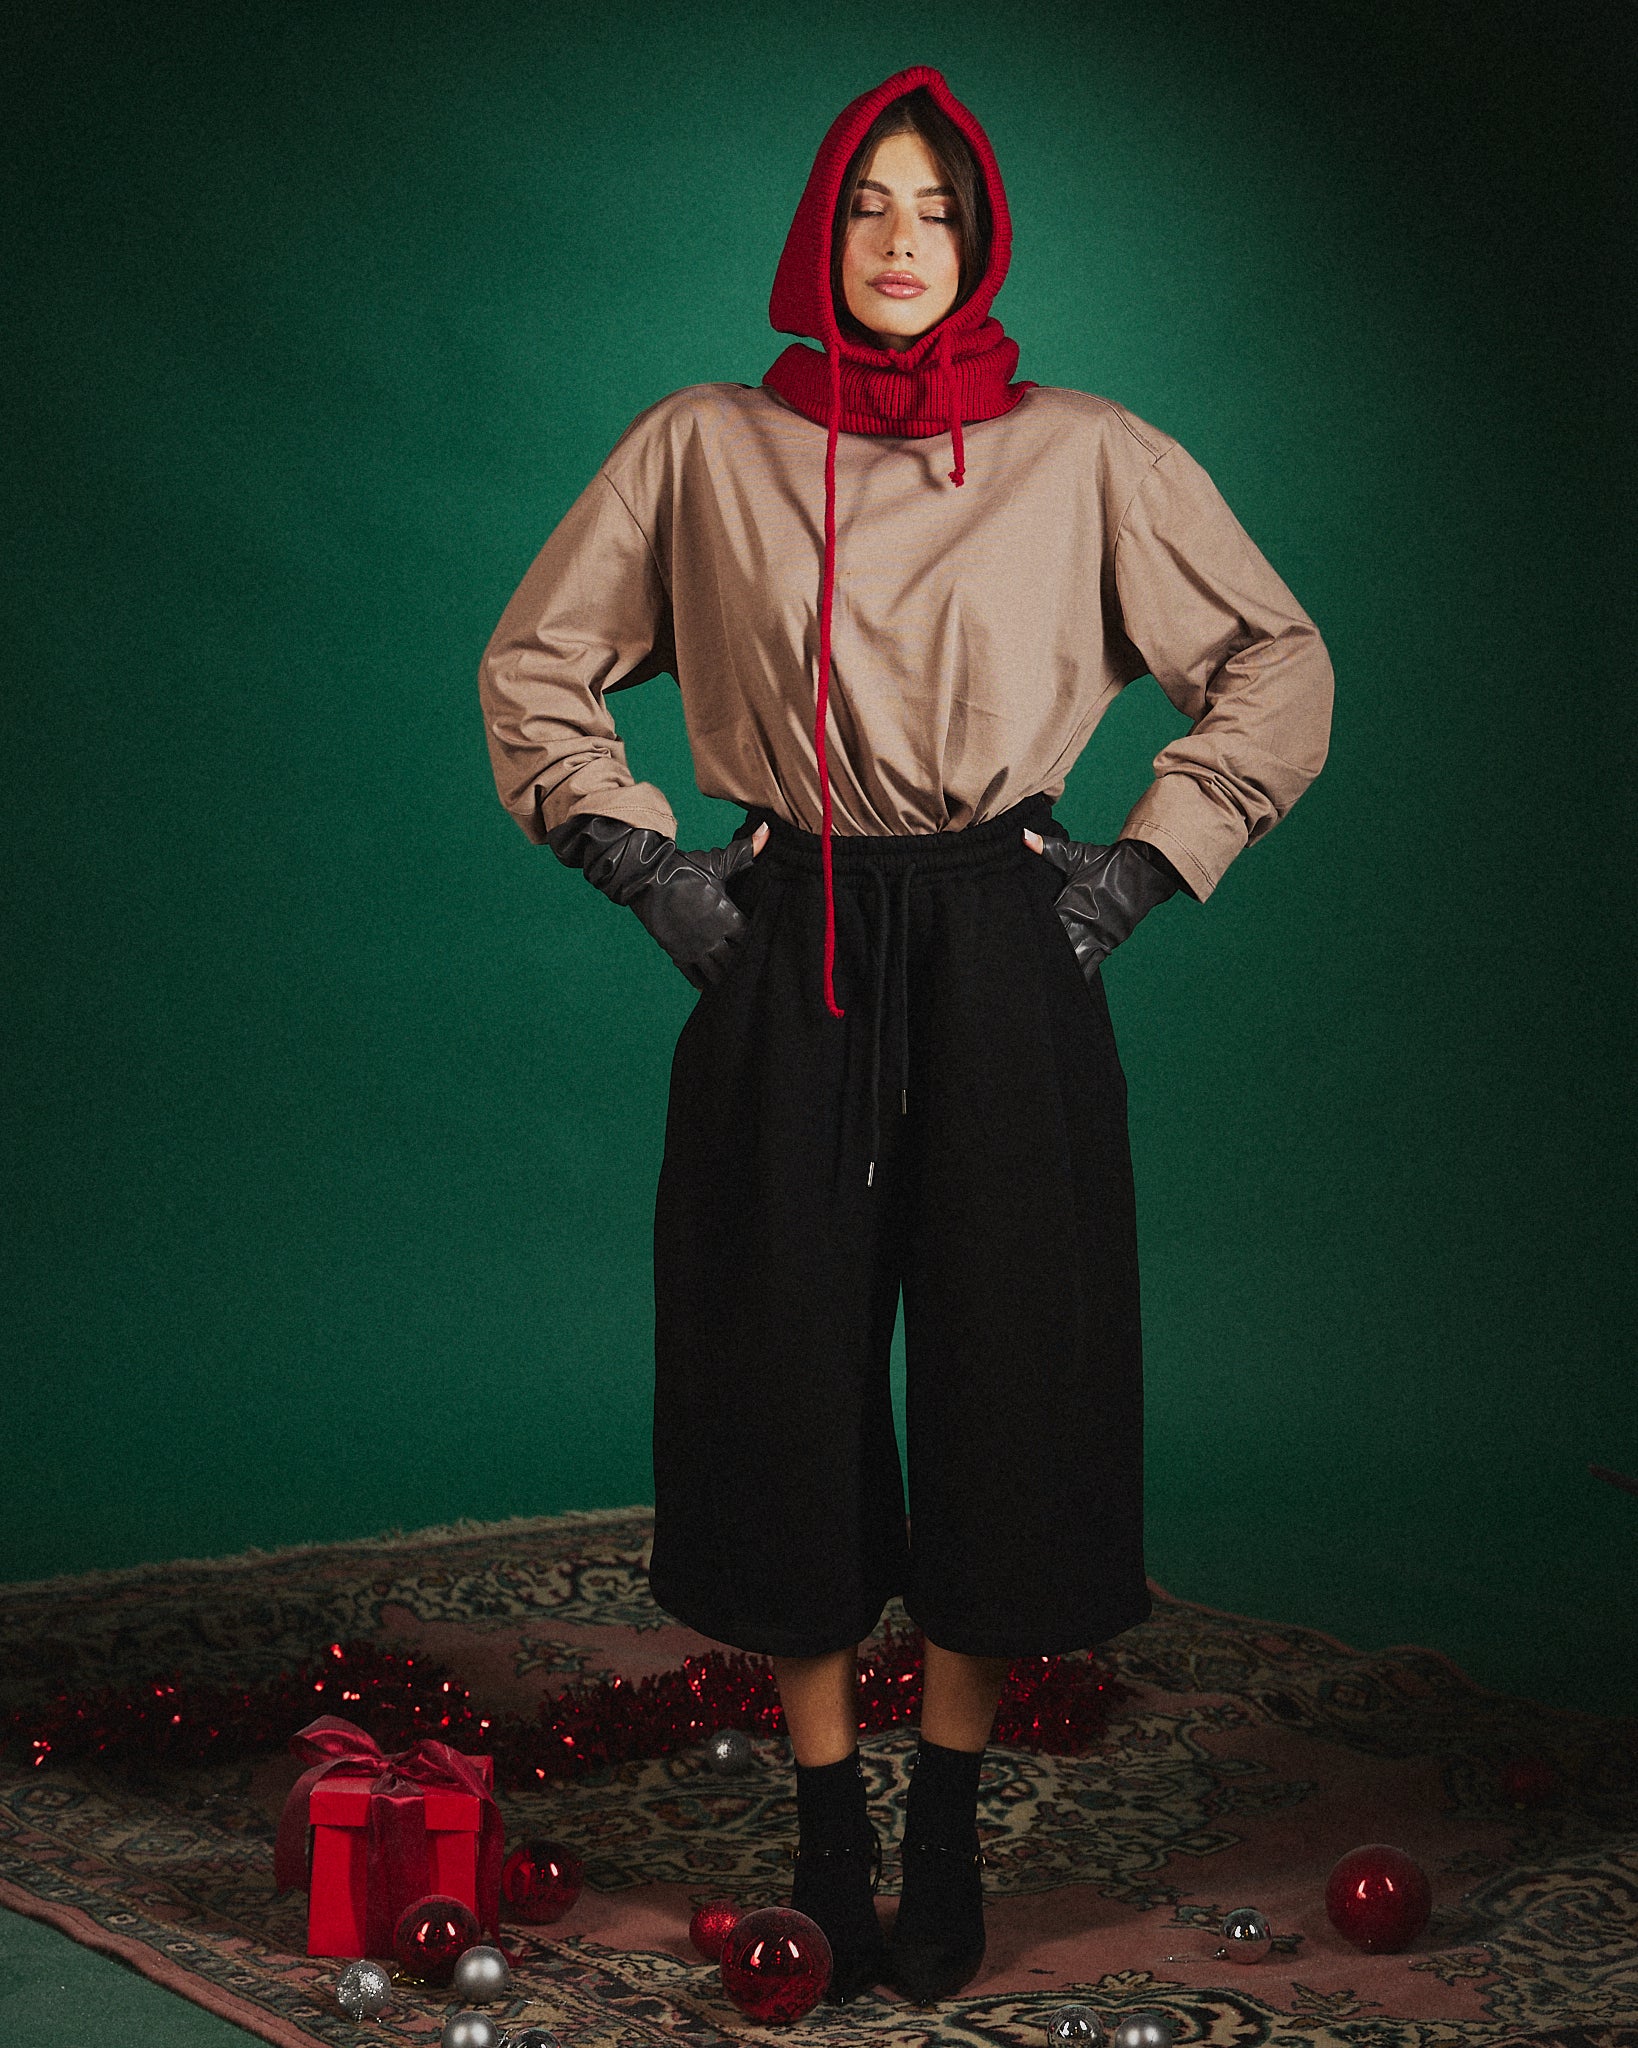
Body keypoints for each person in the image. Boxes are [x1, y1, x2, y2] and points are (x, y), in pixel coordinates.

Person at [478, 63, 1333, 2008]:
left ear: (982, 238)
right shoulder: (702, 445)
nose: (899, 238)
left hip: (1002, 928)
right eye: (867, 201)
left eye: (936, 207)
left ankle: (942, 1817)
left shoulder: (1088, 454)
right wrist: (634, 858)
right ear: (817, 227)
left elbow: (1275, 660)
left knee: (1006, 1372)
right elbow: (537, 659)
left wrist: (1141, 868)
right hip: (787, 923)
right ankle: (824, 1822)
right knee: (777, 1372)